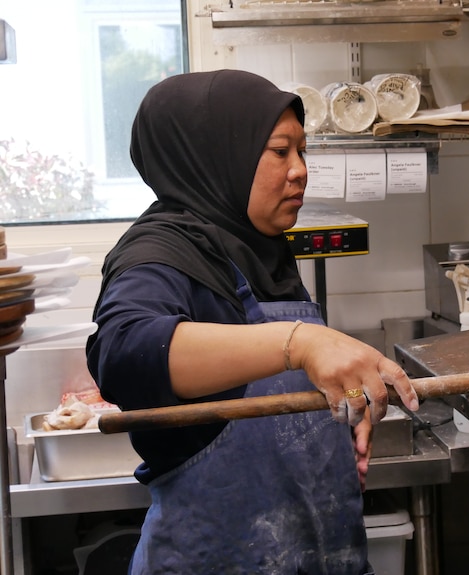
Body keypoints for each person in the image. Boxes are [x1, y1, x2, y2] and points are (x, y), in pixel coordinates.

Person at [85, 69, 419, 574]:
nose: (300, 170)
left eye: (302, 152)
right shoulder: (161, 253)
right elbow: (126, 351)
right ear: (216, 156)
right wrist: (301, 343)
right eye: (280, 151)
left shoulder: (262, 251)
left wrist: (343, 421)